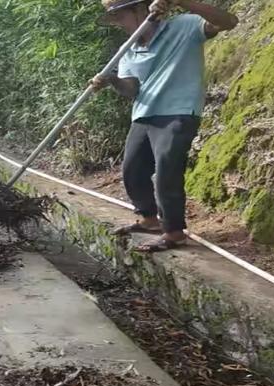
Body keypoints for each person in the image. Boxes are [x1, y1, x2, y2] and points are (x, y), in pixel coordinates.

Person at [91, 0, 238, 252]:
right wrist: (112, 80)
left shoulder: (185, 27)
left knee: (166, 168)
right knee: (132, 170)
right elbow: (132, 89)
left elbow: (228, 22)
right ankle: (150, 220)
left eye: (121, 16)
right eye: (114, 19)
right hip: (144, 113)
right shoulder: (129, 49)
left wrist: (181, 1)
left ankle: (174, 232)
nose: (119, 24)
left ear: (139, 10)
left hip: (178, 111)